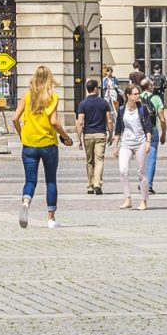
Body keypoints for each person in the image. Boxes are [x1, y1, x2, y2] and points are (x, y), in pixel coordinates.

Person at [12, 65, 72, 228]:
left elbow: (15, 118)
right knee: (51, 181)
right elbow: (54, 122)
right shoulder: (52, 97)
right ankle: (51, 219)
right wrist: (66, 137)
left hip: (29, 144)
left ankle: (26, 202)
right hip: (48, 144)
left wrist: (21, 134)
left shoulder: (27, 96)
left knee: (30, 180)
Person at [111, 82, 154, 210]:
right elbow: (118, 129)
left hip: (140, 143)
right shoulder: (122, 110)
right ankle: (127, 199)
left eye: (138, 93)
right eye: (135, 94)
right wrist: (115, 146)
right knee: (123, 170)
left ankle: (144, 201)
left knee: (141, 173)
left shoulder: (142, 108)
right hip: (126, 143)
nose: (137, 96)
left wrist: (148, 142)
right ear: (128, 95)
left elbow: (148, 127)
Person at [74, 78, 111, 195]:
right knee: (99, 160)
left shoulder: (83, 104)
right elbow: (109, 121)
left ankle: (90, 186)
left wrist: (78, 139)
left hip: (88, 135)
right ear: (95, 89)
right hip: (100, 134)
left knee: (90, 161)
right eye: (98, 87)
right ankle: (97, 184)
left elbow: (80, 122)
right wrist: (111, 135)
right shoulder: (104, 103)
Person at [143, 80, 167, 195]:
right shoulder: (156, 98)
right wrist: (164, 133)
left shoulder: (136, 97)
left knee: (141, 158)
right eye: (152, 85)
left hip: (140, 132)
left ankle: (142, 182)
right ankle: (149, 185)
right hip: (153, 130)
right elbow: (162, 118)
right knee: (151, 158)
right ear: (149, 86)